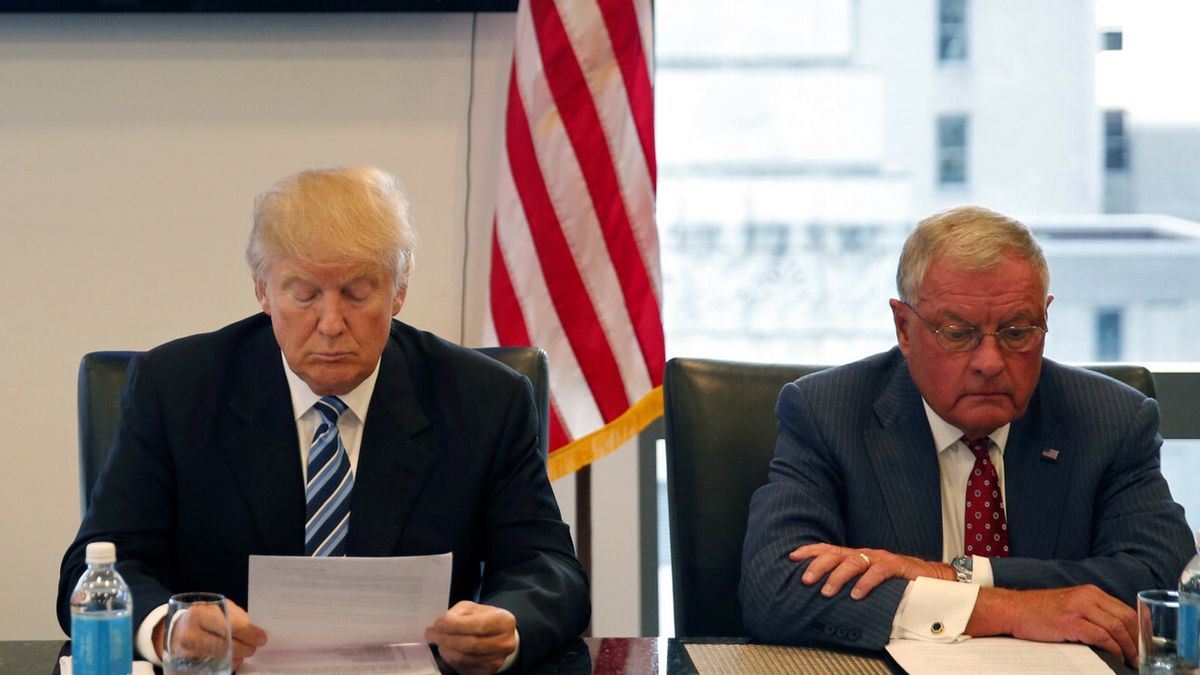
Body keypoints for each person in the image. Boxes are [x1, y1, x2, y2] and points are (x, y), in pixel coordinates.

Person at [56, 166, 589, 674]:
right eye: (304, 293)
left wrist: (507, 625)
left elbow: (548, 568)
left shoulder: (485, 399)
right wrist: (166, 629)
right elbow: (98, 564)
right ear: (263, 290)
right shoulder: (175, 388)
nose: (331, 324)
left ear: (399, 289)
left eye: (358, 293)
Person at [740, 205, 1194, 664]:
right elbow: (775, 587)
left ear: (1046, 317)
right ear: (905, 328)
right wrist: (1010, 608)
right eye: (958, 334)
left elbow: (1163, 582)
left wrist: (950, 576)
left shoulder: (1109, 418)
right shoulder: (828, 413)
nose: (990, 362)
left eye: (1018, 332)